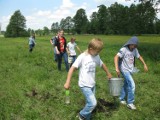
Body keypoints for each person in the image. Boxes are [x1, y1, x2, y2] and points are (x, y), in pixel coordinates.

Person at [64, 38, 112, 120]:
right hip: (84, 84)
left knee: (89, 103)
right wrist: (67, 82)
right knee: (93, 103)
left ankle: (87, 118)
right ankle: (81, 115)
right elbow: (72, 68)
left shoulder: (96, 56)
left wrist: (108, 73)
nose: (98, 53)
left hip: (92, 84)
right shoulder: (82, 57)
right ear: (91, 49)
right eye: (97, 51)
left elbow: (102, 64)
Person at [114, 36, 148, 110]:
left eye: (135, 45)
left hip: (130, 70)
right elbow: (116, 57)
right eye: (132, 45)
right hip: (124, 70)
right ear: (129, 43)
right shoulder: (124, 49)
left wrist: (144, 64)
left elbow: (139, 57)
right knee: (132, 85)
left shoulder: (135, 50)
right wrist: (117, 68)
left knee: (126, 84)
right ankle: (130, 103)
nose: (133, 46)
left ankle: (121, 99)